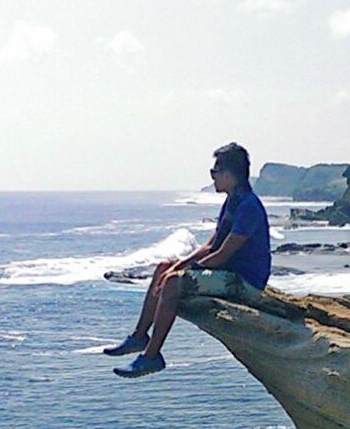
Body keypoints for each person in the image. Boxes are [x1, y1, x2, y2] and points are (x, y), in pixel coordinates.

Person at [104, 142, 271, 378]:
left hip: (245, 283)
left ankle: (152, 356)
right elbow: (211, 245)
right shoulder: (233, 201)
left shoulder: (248, 207)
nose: (213, 178)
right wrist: (179, 265)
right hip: (229, 272)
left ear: (227, 174)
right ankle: (139, 337)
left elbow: (224, 253)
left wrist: (184, 272)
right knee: (164, 268)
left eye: (214, 173)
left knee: (173, 283)